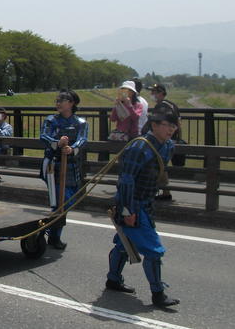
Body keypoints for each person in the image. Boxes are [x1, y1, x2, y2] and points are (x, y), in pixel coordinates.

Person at [105, 107, 181, 308]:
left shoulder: (167, 146)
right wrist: (127, 211)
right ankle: (158, 294)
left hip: (147, 202)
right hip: (133, 203)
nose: (171, 129)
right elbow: (126, 180)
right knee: (154, 250)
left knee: (123, 244)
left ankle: (113, 279)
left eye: (174, 125)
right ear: (154, 125)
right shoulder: (138, 147)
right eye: (167, 125)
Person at [40, 90, 88, 250]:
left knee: (68, 200)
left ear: (72, 103)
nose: (58, 103)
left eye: (62, 100)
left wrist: (72, 149)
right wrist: (57, 142)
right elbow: (44, 137)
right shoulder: (51, 120)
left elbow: (82, 139)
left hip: (72, 166)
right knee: (59, 202)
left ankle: (49, 230)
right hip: (53, 166)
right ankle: (52, 235)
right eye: (57, 100)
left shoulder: (80, 122)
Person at [146, 83, 182, 201]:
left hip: (162, 140)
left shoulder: (161, 107)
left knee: (159, 165)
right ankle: (166, 191)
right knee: (162, 166)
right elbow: (178, 123)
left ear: (161, 93)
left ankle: (160, 191)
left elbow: (157, 125)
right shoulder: (172, 105)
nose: (152, 94)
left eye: (154, 92)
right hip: (172, 138)